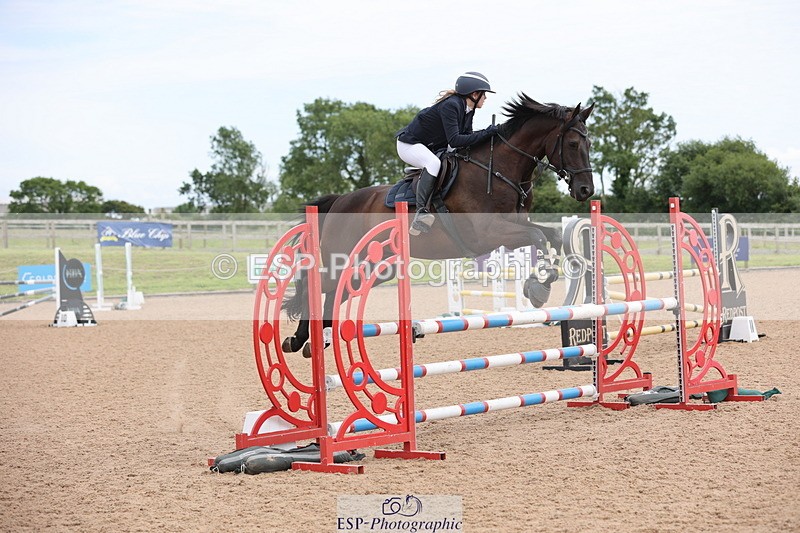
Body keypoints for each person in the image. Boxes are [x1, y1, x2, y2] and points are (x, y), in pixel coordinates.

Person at [396, 71, 499, 235]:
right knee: (433, 163)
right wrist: (487, 133)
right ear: (474, 94)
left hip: (433, 146)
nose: (485, 98)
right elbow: (456, 140)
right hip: (410, 145)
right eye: (484, 94)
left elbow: (467, 137)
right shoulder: (452, 105)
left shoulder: (468, 109)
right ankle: (421, 212)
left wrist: (490, 137)